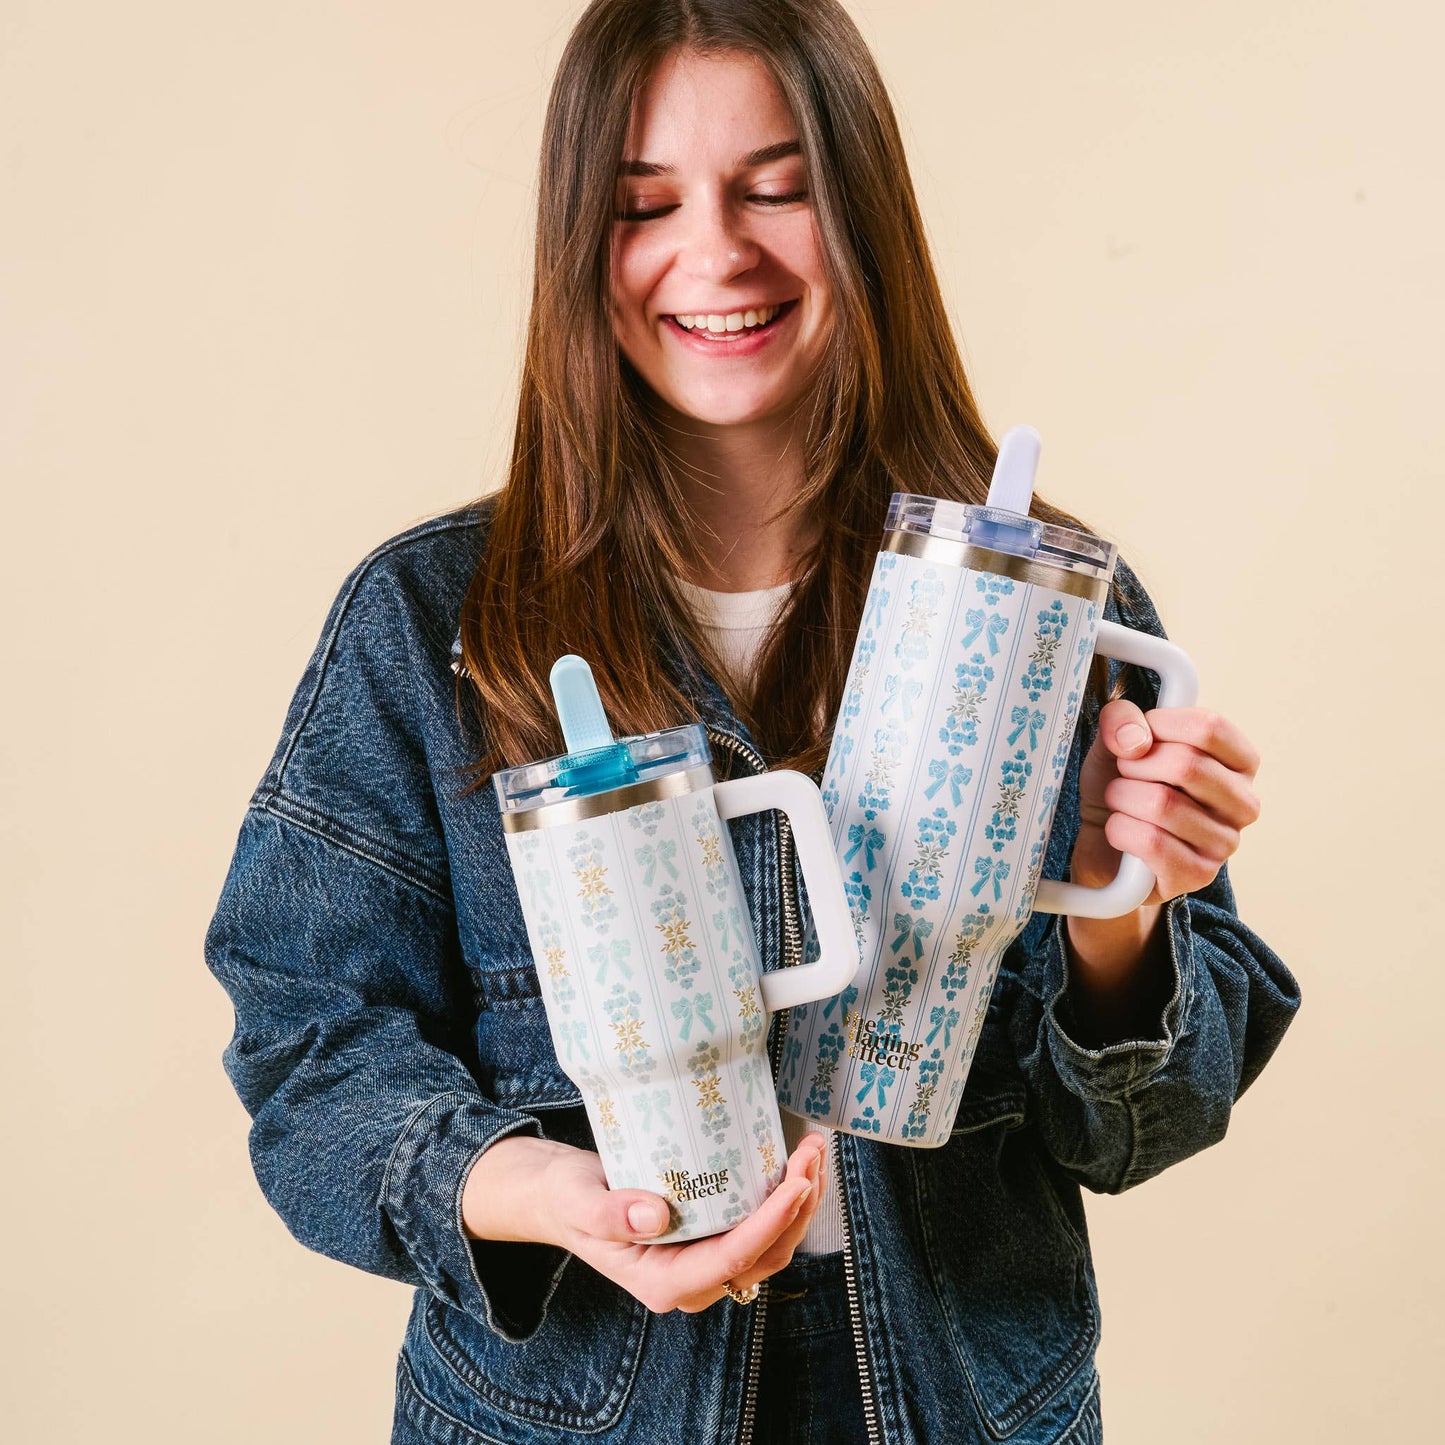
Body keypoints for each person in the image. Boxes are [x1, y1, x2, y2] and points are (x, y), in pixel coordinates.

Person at [204, 2, 1301, 1441]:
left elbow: (1137, 1128)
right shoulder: (435, 624)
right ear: (574, 247)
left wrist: (1122, 916)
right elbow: (308, 1051)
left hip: (962, 1399)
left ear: (865, 215)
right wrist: (551, 1196)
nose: (715, 252)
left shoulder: (1040, 608)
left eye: (775, 188)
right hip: (566, 1407)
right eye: (645, 205)